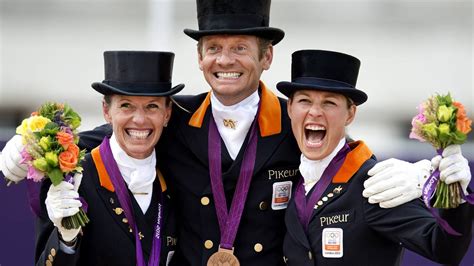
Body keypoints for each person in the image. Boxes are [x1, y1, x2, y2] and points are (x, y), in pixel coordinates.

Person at [1, 0, 471, 265]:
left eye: (240, 48)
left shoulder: (298, 121)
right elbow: (123, 129)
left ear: (266, 58)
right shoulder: (174, 118)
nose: (225, 60)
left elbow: (347, 161)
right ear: (199, 57)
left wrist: (424, 178)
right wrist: (36, 141)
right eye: (213, 48)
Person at [278, 49, 473, 265]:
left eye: (329, 103)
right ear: (289, 108)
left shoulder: (375, 185)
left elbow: (445, 248)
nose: (314, 111)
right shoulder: (287, 177)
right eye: (305, 101)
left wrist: (454, 193)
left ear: (350, 114)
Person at [35, 51, 184, 265]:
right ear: (107, 111)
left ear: (167, 113)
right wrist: (66, 241)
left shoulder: (176, 175)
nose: (140, 120)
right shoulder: (73, 179)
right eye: (126, 105)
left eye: (152, 106)